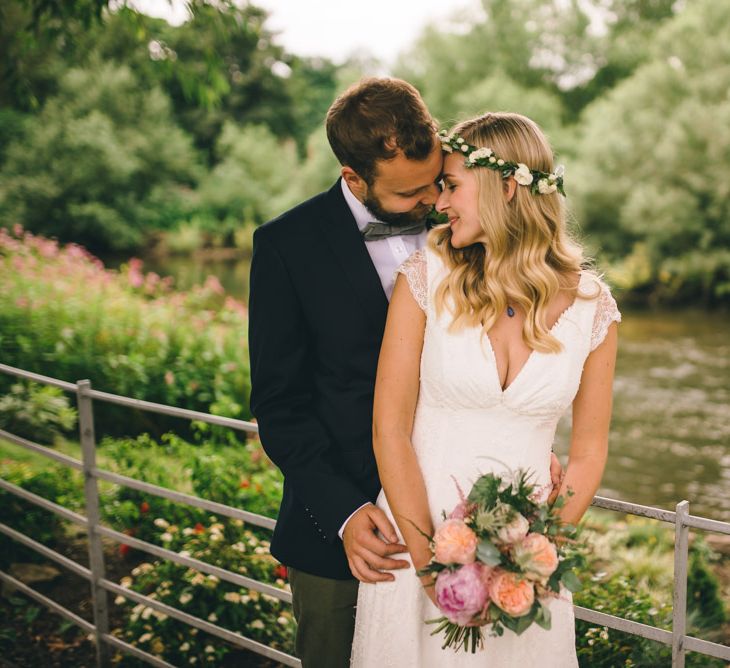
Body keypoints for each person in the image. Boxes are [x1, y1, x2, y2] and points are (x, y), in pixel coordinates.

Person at [248, 80, 562, 667]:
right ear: (353, 178)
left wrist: (520, 430)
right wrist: (341, 512)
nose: (430, 204)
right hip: (349, 534)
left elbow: (513, 346)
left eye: (437, 183)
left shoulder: (471, 231)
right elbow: (279, 405)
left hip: (464, 515)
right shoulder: (285, 247)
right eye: (409, 193)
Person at [350, 112, 620, 667]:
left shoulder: (595, 309)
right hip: (414, 546)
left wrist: (533, 559)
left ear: (506, 187)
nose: (439, 203)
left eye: (451, 185)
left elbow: (590, 451)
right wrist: (431, 569)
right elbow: (389, 430)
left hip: (524, 570)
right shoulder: (425, 280)